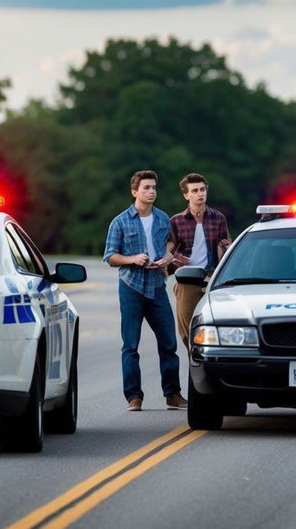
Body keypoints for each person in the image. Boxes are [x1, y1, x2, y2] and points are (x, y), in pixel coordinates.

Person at [102, 170, 186, 412]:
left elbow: (171, 246)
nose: (151, 191)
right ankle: (134, 397)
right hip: (131, 287)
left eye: (153, 187)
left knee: (168, 342)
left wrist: (167, 258)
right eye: (146, 187)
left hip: (157, 286)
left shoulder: (162, 219)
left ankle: (173, 394)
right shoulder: (120, 221)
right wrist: (132, 259)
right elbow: (110, 256)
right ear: (134, 192)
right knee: (130, 345)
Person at [167, 173, 231, 349]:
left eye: (202, 190)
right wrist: (175, 261)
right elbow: (168, 255)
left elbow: (225, 249)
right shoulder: (176, 221)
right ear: (186, 195)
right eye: (194, 191)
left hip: (212, 279)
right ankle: (195, 367)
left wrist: (224, 249)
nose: (200, 194)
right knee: (188, 333)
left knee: (217, 328)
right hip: (187, 280)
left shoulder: (218, 218)